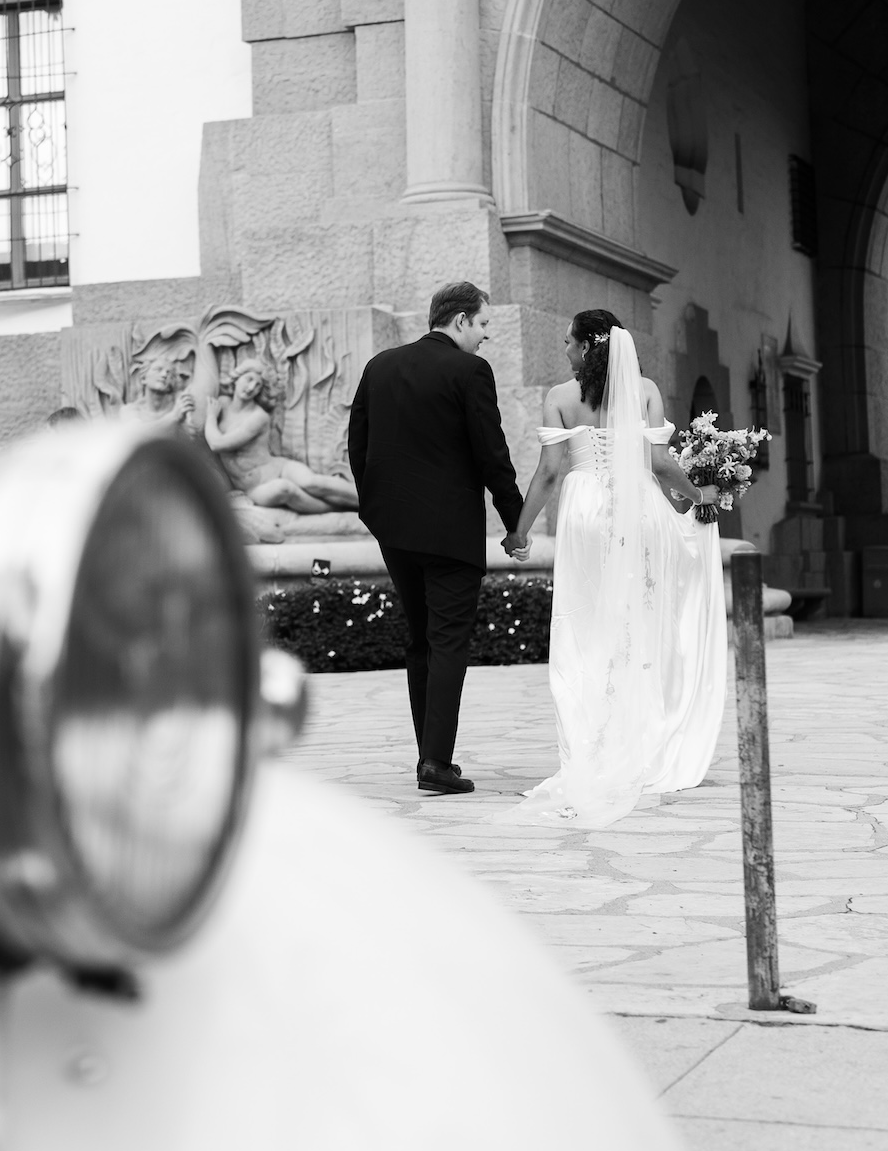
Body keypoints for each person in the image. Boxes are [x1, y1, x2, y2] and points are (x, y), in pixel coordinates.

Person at [496, 312, 722, 828]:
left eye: (570, 343)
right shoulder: (644, 390)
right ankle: (640, 739)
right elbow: (661, 465)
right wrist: (699, 494)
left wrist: (519, 531)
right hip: (635, 510)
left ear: (587, 347)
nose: (566, 351)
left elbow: (551, 471)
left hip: (583, 514)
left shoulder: (559, 395)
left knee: (585, 625)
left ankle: (593, 742)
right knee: (636, 622)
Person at [344, 281, 526, 795]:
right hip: (449, 532)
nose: (487, 335)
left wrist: (374, 509)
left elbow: (357, 443)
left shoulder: (379, 365)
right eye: (484, 324)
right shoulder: (470, 371)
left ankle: (430, 755)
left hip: (394, 530)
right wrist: (514, 522)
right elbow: (492, 453)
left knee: (420, 639)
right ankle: (436, 763)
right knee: (448, 641)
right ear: (461, 320)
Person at [195, 329, 361, 514]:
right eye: (249, 380)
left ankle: (371, 499)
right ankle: (346, 509)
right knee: (286, 490)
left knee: (311, 482)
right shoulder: (223, 405)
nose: (251, 388)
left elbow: (218, 444)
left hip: (279, 468)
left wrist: (210, 417)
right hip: (253, 488)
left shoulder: (258, 417)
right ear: (236, 379)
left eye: (257, 385)